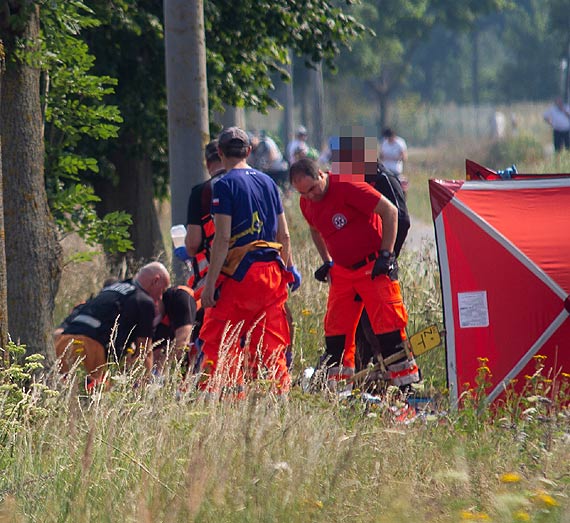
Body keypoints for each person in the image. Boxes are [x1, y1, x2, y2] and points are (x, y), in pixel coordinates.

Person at [289, 157, 420, 393]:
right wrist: (326, 261)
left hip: (372, 268)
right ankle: (340, 393)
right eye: (303, 192)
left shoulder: (347, 185)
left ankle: (407, 392)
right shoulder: (306, 202)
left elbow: (390, 211)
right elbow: (314, 228)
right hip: (342, 272)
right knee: (336, 338)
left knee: (389, 331)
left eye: (312, 188)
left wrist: (387, 255)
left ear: (321, 174)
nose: (310, 196)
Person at [198, 126, 301, 397]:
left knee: (221, 337)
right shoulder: (268, 183)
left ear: (219, 153)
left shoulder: (223, 185)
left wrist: (209, 286)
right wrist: (289, 270)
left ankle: (227, 397)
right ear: (249, 151)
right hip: (271, 275)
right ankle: (279, 397)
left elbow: (222, 239)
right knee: (271, 343)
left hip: (239, 277)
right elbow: (285, 235)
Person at [55, 262, 171, 388]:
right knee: (94, 397)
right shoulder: (144, 301)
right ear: (155, 280)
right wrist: (145, 388)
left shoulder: (115, 287)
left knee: (64, 392)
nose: (160, 297)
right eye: (162, 290)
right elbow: (144, 351)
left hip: (63, 342)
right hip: (90, 347)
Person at [152, 285, 198, 375]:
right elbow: (153, 350)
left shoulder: (179, 298)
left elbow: (183, 344)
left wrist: (158, 374)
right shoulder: (159, 316)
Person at [379, 128, 408, 196]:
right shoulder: (384, 142)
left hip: (396, 171)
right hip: (386, 170)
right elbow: (381, 155)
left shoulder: (400, 143)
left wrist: (392, 158)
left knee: (399, 189)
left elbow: (404, 157)